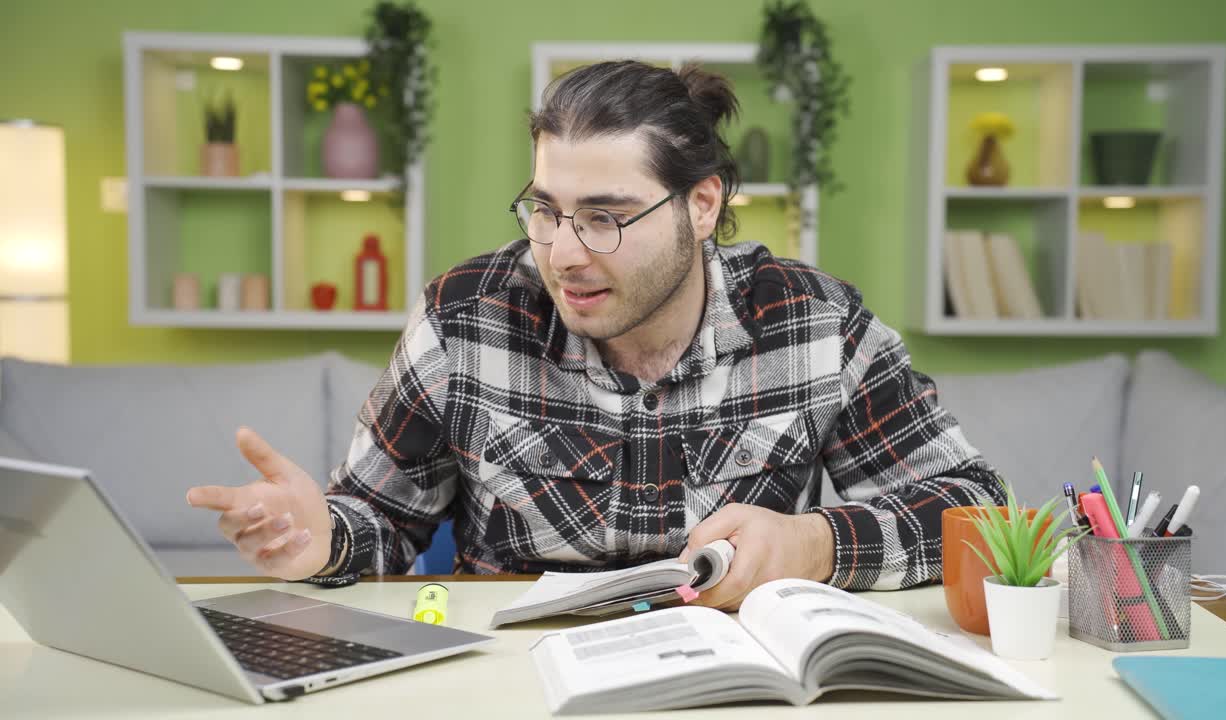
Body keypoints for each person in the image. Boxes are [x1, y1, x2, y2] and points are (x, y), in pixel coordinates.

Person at [187, 61, 1001, 610]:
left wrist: (814, 543)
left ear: (703, 205)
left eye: (606, 217)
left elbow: (974, 510)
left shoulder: (816, 326)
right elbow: (379, 522)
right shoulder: (465, 319)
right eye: (545, 210)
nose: (564, 254)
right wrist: (321, 535)